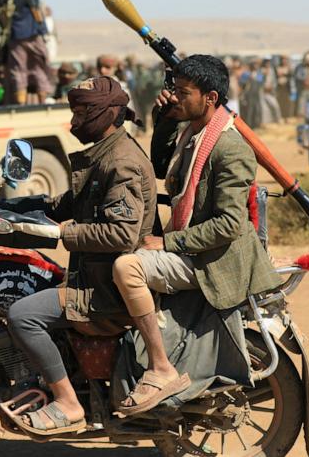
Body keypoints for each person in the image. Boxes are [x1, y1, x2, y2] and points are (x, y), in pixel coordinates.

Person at [111, 54, 283, 415]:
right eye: (174, 91)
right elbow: (161, 169)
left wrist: (168, 242)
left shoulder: (229, 147)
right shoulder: (194, 133)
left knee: (128, 268)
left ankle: (160, 368)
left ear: (211, 99)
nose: (176, 97)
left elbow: (229, 225)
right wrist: (164, 121)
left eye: (184, 93)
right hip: (195, 247)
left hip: (215, 260)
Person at [4, 76, 155, 435]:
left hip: (105, 291)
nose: (74, 123)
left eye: (83, 112)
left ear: (108, 113)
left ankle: (68, 403)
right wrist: (4, 209)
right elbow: (65, 205)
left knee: (22, 314)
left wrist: (61, 233)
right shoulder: (104, 154)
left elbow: (122, 234)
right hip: (92, 276)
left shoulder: (120, 162)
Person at [259, 58, 282, 124]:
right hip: (263, 92)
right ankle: (266, 122)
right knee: (265, 109)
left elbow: (274, 81)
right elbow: (258, 80)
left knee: (275, 106)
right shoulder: (260, 71)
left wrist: (272, 87)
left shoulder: (272, 70)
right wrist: (263, 75)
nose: (268, 65)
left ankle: (277, 119)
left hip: (271, 92)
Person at [294, 52, 309, 116]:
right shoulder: (300, 67)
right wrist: (304, 80)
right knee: (301, 107)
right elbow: (298, 76)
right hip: (302, 89)